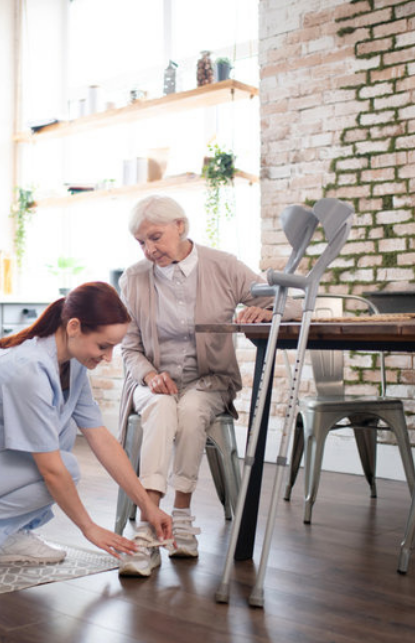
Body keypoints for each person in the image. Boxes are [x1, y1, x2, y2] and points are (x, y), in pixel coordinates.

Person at [0, 281, 174, 579]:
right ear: (74, 327)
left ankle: (1, 539)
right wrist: (89, 528)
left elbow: (100, 437)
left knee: (62, 433)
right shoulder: (29, 369)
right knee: (63, 467)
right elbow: (52, 471)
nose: (108, 357)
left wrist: (147, 506)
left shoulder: (74, 363)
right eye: (103, 346)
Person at [116, 194, 298, 577]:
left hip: (209, 381)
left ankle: (179, 516)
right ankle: (150, 524)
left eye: (156, 237)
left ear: (180, 226)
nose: (149, 249)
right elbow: (129, 348)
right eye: (141, 243)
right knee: (165, 406)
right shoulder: (133, 278)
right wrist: (150, 375)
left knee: (192, 408)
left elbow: (293, 305)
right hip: (154, 384)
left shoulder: (223, 266)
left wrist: (262, 309)